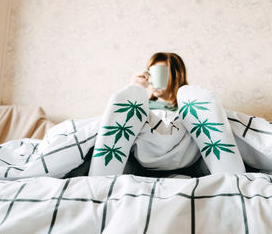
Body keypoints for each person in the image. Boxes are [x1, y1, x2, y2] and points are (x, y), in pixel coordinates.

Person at [89, 52, 246, 177]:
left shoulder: (192, 106)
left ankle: (231, 179)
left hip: (190, 154)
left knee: (208, 111)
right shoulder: (143, 106)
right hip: (140, 154)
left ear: (176, 75)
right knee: (127, 105)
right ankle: (101, 182)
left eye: (161, 72)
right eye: (151, 72)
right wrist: (137, 86)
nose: (153, 77)